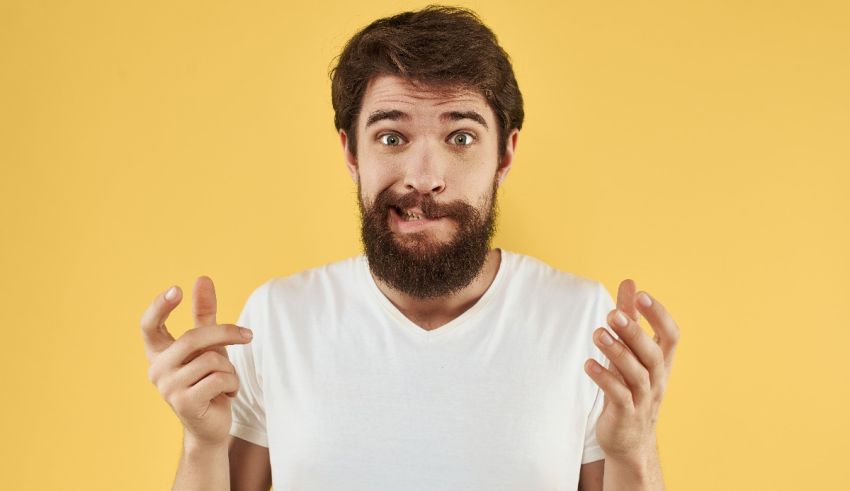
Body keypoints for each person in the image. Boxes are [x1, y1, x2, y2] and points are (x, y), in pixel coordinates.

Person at [140, 5, 680, 490]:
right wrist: (202, 444)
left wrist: (632, 450)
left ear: (505, 156)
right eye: (392, 137)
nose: (425, 178)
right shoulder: (278, 319)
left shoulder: (579, 318)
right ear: (351, 152)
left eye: (461, 137)